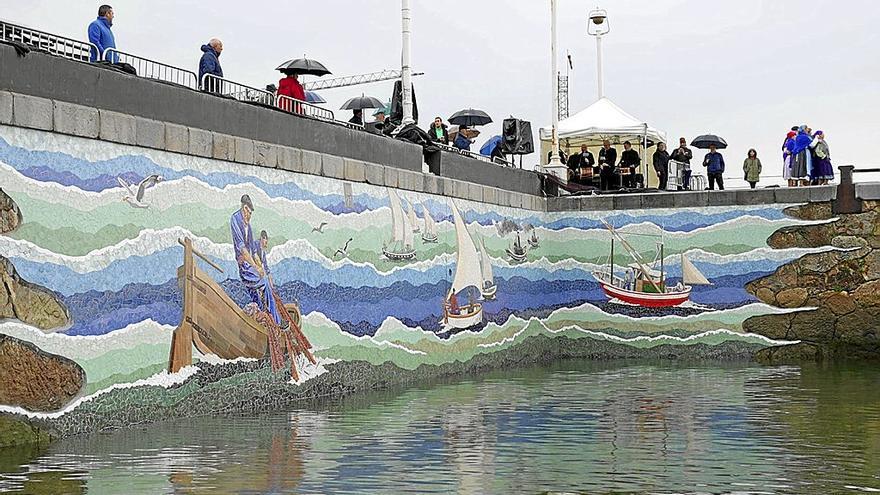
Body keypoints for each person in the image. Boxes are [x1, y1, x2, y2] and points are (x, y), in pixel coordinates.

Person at [230, 194, 283, 328]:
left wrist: (260, 268)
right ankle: (277, 321)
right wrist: (256, 268)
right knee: (263, 283)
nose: (250, 215)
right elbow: (242, 248)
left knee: (255, 293)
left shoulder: (249, 227)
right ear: (244, 208)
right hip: (245, 267)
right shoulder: (235, 220)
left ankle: (261, 322)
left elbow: (254, 252)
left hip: (250, 265)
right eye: (249, 212)